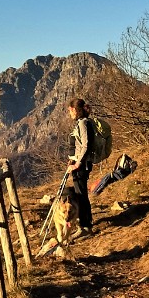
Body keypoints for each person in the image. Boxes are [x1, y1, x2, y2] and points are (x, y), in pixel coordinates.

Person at [64, 97, 96, 236]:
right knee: (80, 194)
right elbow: (79, 145)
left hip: (81, 166)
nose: (69, 113)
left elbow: (86, 145)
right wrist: (72, 160)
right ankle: (85, 224)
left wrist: (78, 163)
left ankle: (85, 226)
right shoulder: (81, 123)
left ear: (75, 110)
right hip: (78, 164)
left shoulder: (83, 124)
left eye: (70, 110)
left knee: (81, 195)